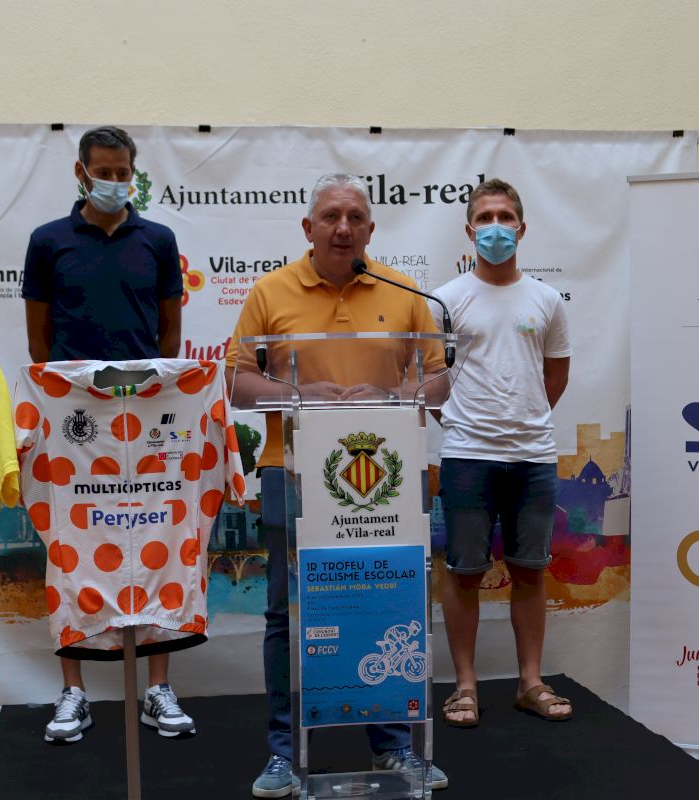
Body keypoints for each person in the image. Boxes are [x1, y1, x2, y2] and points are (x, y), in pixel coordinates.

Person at [226, 174, 450, 797]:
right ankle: (282, 752)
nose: (343, 227)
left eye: (355, 217)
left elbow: (438, 381)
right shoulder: (270, 292)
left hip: (388, 480)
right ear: (308, 227)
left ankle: (394, 746)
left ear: (371, 229)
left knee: (389, 602)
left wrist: (392, 395)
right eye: (330, 216)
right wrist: (298, 394)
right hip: (292, 471)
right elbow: (237, 383)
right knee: (286, 615)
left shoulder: (404, 293)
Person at [21, 125, 191, 744]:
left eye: (124, 173)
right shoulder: (48, 241)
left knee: (155, 538)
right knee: (71, 545)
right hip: (74, 420)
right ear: (81, 172)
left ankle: (157, 689)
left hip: (145, 417)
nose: (116, 183)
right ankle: (73, 692)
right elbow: (39, 342)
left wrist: (142, 393)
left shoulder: (158, 240)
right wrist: (76, 392)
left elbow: (169, 335)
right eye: (105, 172)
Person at [433, 178, 573, 729]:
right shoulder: (445, 300)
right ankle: (465, 687)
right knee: (464, 572)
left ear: (522, 227)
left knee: (531, 572)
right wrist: (467, 423)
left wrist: (522, 421)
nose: (496, 227)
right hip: (466, 456)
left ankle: (530, 683)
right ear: (469, 230)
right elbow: (431, 381)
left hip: (533, 457)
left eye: (505, 217)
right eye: (486, 217)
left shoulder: (547, 300)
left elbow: (555, 377)